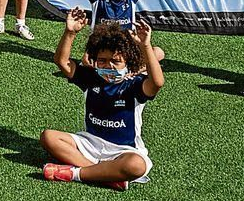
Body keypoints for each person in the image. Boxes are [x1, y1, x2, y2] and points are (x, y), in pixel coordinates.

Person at [42, 12, 163, 191]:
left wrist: (145, 45)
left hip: (123, 151)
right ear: (94, 60)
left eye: (116, 61)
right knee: (49, 137)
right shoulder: (91, 78)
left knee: (136, 165)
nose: (109, 66)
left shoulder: (135, 85)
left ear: (128, 61)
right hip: (90, 144)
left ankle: (76, 174)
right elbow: (62, 62)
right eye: (102, 61)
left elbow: (157, 83)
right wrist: (70, 32)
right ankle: (107, 177)